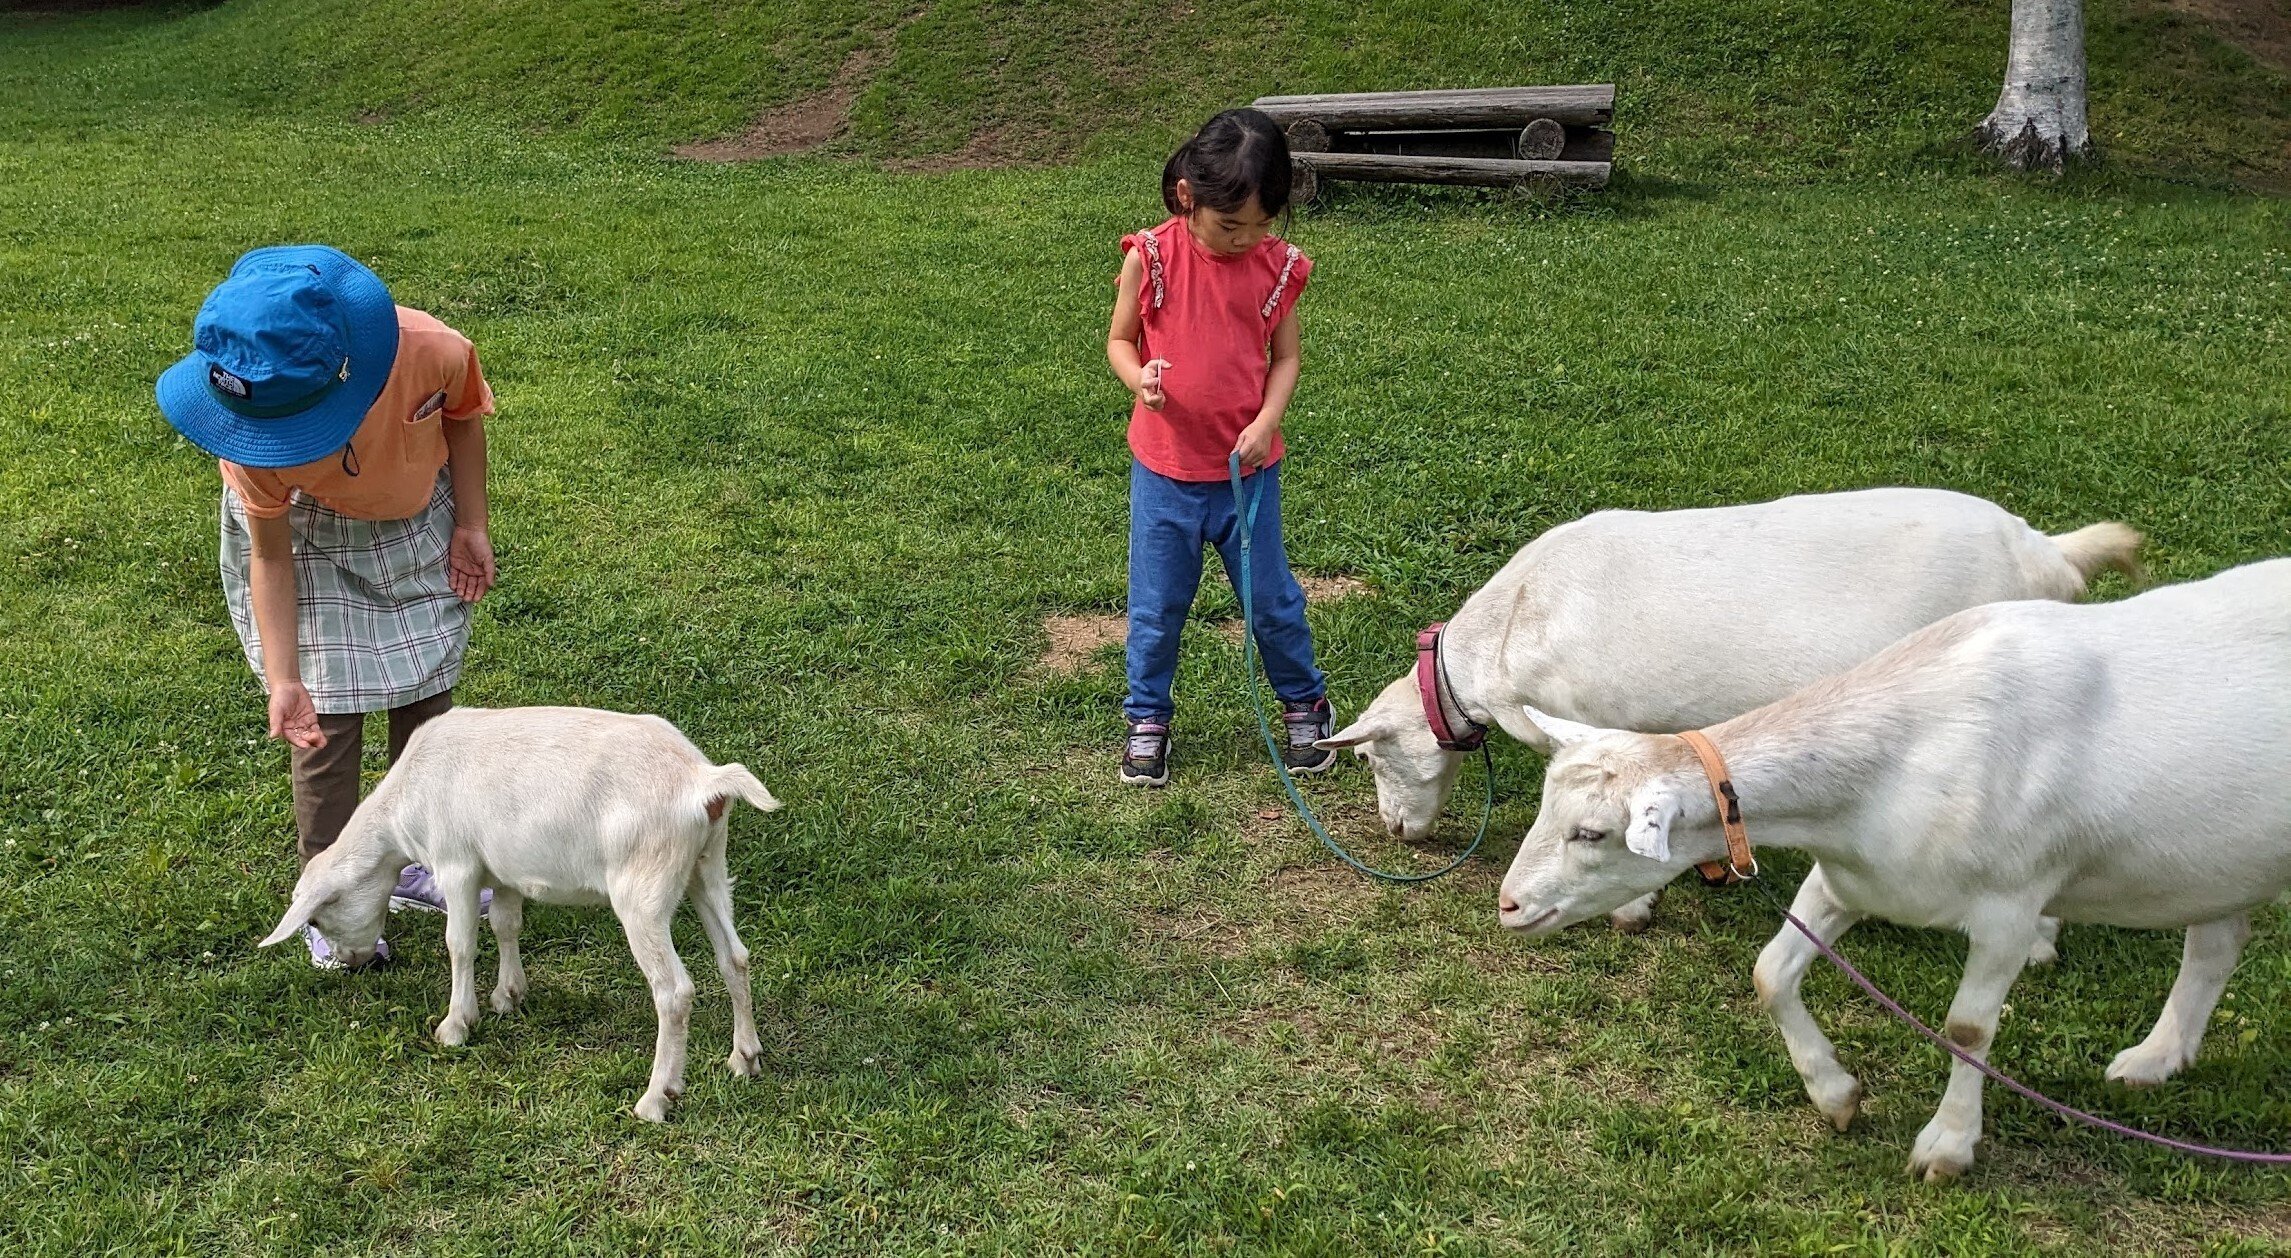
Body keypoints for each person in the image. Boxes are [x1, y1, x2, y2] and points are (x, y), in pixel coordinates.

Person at [156, 245, 498, 968]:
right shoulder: (248, 433)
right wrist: (285, 679)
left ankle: (424, 861)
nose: (278, 442)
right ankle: (334, 890)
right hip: (304, 535)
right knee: (327, 714)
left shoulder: (433, 350)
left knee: (427, 700)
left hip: (410, 521)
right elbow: (270, 557)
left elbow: (464, 420)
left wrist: (471, 524)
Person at [1106, 108, 1336, 787]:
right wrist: (1136, 377)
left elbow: (1285, 358)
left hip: (1248, 477)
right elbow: (1119, 339)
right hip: (1165, 473)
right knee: (1155, 607)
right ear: (1188, 198)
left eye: (1260, 225)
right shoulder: (1149, 257)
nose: (1245, 239)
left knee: (1271, 601)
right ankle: (1146, 718)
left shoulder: (1275, 269)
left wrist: (1267, 421)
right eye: (1230, 225)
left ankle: (1304, 705)